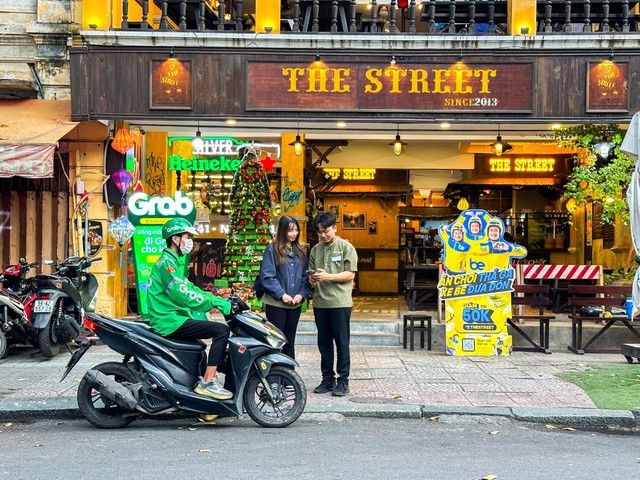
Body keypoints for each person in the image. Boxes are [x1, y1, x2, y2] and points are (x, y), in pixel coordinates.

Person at [147, 218, 233, 400]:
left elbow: (191, 288)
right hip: (169, 320)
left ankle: (204, 398)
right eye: (187, 236)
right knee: (221, 330)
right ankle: (209, 382)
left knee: (200, 347)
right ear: (175, 239)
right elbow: (182, 294)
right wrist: (213, 303)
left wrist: (215, 298)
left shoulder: (174, 263)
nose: (190, 241)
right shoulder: (166, 265)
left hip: (175, 317)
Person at [308, 211, 358, 397]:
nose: (323, 235)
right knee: (324, 342)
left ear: (335, 228)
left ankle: (343, 381)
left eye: (326, 231)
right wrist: (312, 279)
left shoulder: (346, 247)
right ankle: (327, 378)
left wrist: (327, 276)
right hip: (320, 303)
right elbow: (311, 274)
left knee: (342, 342)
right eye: (320, 232)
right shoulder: (315, 250)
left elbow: (350, 274)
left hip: (340, 302)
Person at [260, 215, 312, 360]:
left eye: (296, 230)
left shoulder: (300, 252)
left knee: (290, 341)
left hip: (294, 304)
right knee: (277, 341)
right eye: (290, 231)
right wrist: (282, 294)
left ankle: (289, 377)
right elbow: (267, 276)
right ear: (282, 231)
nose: (293, 234)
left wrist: (301, 295)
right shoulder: (272, 249)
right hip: (276, 304)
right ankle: (275, 377)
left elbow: (305, 277)